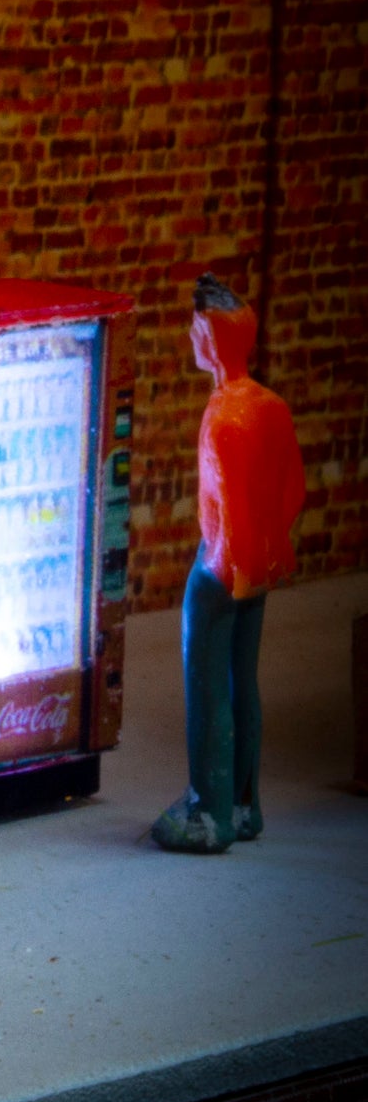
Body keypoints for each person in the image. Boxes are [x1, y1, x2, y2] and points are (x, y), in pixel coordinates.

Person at [151, 275, 306, 854]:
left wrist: (228, 567)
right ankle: (244, 806)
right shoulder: (272, 405)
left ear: (212, 339)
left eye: (195, 328)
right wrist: (269, 551)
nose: (190, 337)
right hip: (259, 564)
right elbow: (295, 489)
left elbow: (233, 509)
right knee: (246, 682)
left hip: (220, 568)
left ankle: (207, 810)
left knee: (207, 686)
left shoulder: (224, 417)